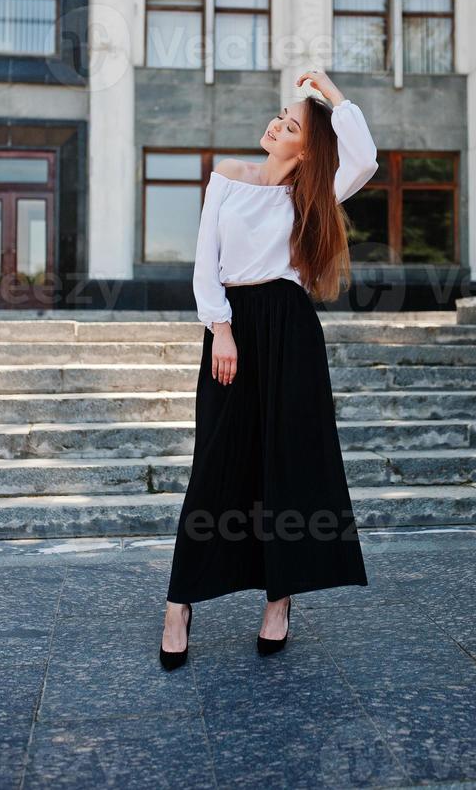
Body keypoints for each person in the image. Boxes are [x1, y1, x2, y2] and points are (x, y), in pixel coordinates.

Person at [160, 69, 378, 670]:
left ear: (305, 148)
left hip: (291, 330)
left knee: (289, 464)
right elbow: (206, 264)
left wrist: (330, 94)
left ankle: (278, 601)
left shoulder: (313, 195)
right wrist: (221, 330)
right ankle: (179, 602)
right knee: (216, 463)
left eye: (289, 124)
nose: (274, 124)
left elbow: (364, 156)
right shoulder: (228, 177)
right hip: (234, 326)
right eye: (279, 116)